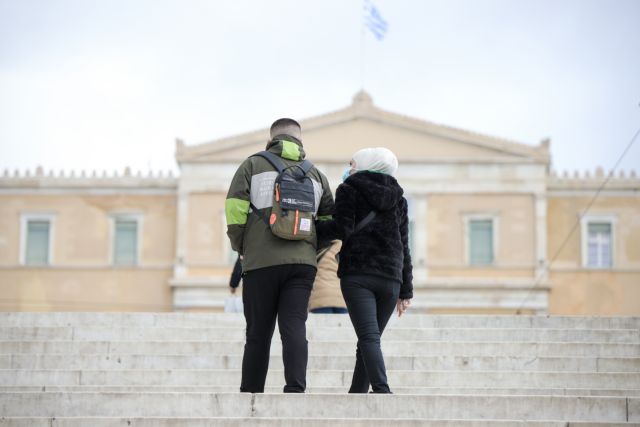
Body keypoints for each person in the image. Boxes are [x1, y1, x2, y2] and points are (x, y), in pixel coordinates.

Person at [225, 118, 334, 393]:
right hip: (302, 265)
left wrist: (243, 247)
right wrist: (311, 249)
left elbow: (234, 213)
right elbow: (331, 223)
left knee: (258, 333)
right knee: (294, 325)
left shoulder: (252, 165)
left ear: (270, 139)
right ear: (300, 141)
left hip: (260, 262)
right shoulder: (316, 175)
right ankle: (296, 389)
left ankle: (251, 392)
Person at [316, 147, 413, 394]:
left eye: (353, 163)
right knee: (369, 338)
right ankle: (357, 394)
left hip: (358, 275)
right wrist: (406, 290)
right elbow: (404, 244)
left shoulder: (349, 189)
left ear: (365, 164)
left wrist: (313, 227)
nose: (349, 168)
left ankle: (382, 390)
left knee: (369, 337)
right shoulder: (399, 198)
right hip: (391, 278)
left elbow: (342, 228)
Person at [309, 240, 348, 314]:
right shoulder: (342, 246)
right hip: (340, 296)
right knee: (342, 325)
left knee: (323, 325)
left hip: (320, 296)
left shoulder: (315, 246)